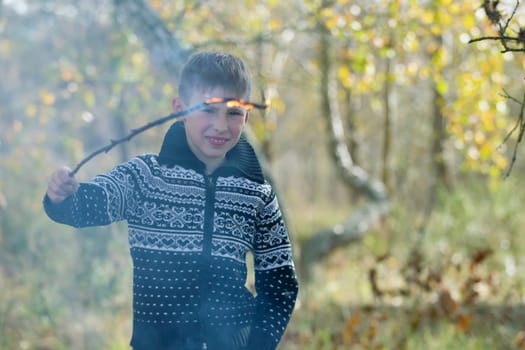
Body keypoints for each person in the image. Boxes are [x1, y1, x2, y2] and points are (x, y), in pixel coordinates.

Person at [43, 51, 299, 350]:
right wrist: (62, 195)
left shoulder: (257, 193)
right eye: (208, 110)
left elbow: (280, 281)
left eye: (233, 113)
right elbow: (89, 205)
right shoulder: (146, 177)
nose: (220, 125)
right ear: (179, 109)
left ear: (247, 115)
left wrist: (258, 344)